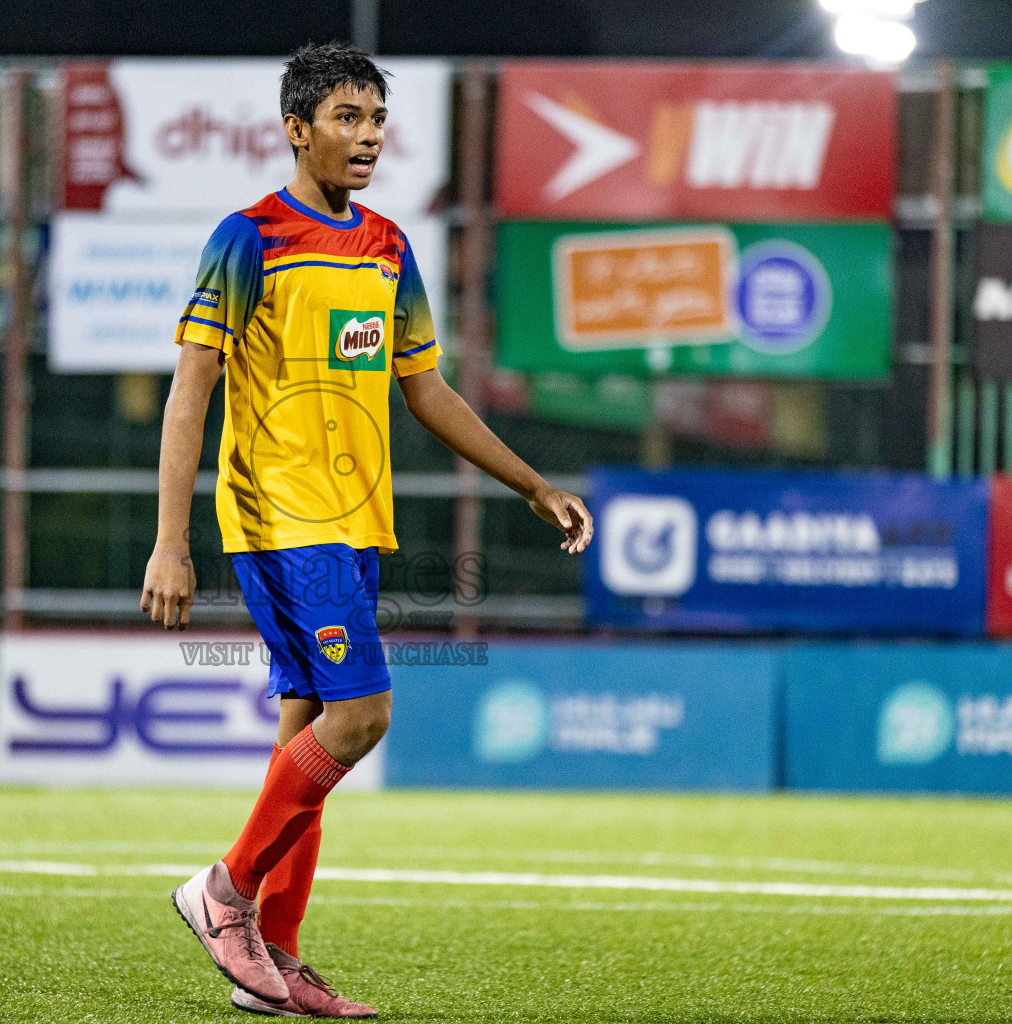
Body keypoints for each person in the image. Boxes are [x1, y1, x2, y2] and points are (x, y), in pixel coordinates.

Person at [142, 42, 594, 1018]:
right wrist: (170, 538)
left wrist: (530, 483)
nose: (369, 137)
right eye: (348, 118)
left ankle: (277, 962)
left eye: (378, 120)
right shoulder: (247, 236)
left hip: (351, 524)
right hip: (275, 514)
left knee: (309, 727)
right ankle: (221, 894)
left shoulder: (389, 246)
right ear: (297, 128)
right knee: (365, 713)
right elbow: (191, 390)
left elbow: (426, 390)